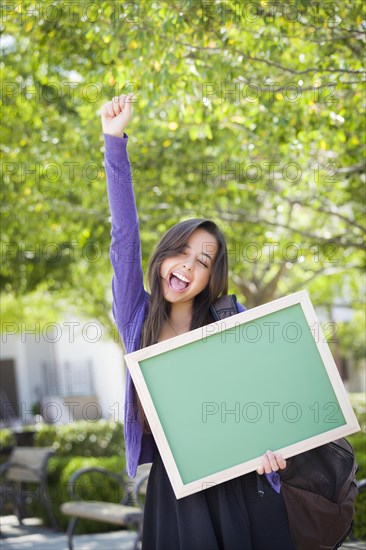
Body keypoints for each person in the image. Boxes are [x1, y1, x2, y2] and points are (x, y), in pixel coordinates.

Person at [101, 93, 296, 550]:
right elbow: (123, 236)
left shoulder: (232, 318)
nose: (188, 266)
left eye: (203, 260)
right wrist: (114, 142)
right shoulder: (137, 316)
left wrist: (275, 449)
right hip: (177, 486)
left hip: (242, 481)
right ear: (164, 256)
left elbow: (274, 393)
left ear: (212, 277)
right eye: (181, 251)